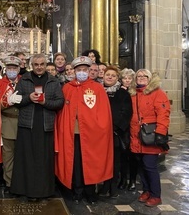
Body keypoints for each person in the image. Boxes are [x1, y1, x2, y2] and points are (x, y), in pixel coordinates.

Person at [54, 56, 113, 205]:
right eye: (79, 70)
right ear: (74, 72)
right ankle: (77, 191)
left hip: (92, 134)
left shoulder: (97, 88)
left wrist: (100, 129)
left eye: (84, 70)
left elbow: (104, 112)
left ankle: (90, 192)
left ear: (89, 71)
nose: (82, 72)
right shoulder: (67, 88)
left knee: (91, 163)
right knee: (76, 163)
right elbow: (61, 112)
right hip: (72, 134)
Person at [10, 54, 64, 201]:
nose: (39, 67)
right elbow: (16, 100)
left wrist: (45, 102)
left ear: (46, 65)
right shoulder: (24, 80)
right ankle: (24, 189)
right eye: (36, 64)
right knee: (26, 158)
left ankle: (43, 191)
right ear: (31, 65)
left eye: (42, 64)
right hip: (27, 125)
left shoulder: (53, 81)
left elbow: (60, 102)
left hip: (46, 125)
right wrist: (29, 98)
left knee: (43, 160)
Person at [128, 69, 170, 207]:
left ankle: (155, 195)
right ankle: (146, 190)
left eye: (144, 76)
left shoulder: (158, 93)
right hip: (136, 136)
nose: (140, 78)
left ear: (150, 78)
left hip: (150, 136)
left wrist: (160, 133)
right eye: (138, 76)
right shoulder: (133, 94)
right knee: (141, 166)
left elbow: (163, 114)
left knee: (150, 166)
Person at [98, 66, 132, 198]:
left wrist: (115, 127)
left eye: (113, 75)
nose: (110, 77)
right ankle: (104, 185)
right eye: (108, 74)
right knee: (103, 161)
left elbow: (126, 113)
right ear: (103, 76)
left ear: (117, 78)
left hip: (115, 133)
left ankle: (113, 187)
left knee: (114, 161)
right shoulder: (99, 91)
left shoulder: (123, 93)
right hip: (100, 133)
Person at [0, 56, 22, 194]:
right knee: (8, 156)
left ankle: (22, 182)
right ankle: (9, 183)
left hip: (23, 123)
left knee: (22, 156)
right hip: (7, 124)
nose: (11, 70)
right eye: (9, 68)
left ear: (19, 69)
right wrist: (7, 101)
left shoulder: (25, 82)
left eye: (14, 68)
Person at [119, 68, 137, 191]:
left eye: (129, 78)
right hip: (124, 127)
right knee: (123, 155)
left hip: (134, 126)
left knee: (133, 156)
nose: (127, 81)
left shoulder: (136, 92)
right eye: (124, 78)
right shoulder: (119, 91)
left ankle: (133, 180)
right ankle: (123, 179)